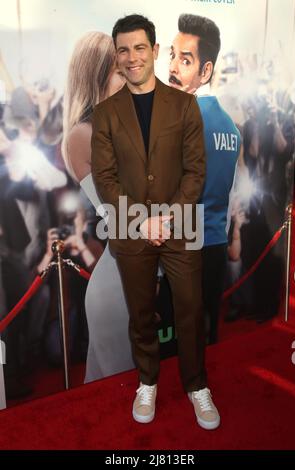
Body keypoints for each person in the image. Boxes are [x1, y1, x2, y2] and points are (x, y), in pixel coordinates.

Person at [91, 14, 220, 430]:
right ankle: (147, 380)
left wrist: (167, 216)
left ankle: (197, 385)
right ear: (117, 56)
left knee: (189, 310)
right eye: (124, 50)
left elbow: (195, 171)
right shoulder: (106, 113)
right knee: (142, 314)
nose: (132, 57)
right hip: (132, 232)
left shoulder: (184, 105)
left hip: (180, 228)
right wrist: (140, 221)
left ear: (155, 50)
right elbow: (104, 178)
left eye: (140, 48)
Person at [62, 31, 135, 381]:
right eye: (120, 70)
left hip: (137, 271)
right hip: (119, 283)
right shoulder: (83, 135)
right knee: (118, 394)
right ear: (98, 75)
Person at [169, 14, 241, 343]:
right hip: (216, 244)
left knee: (180, 342)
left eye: (185, 60)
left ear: (206, 70)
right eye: (172, 55)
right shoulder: (232, 129)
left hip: (185, 248)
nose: (172, 67)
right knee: (209, 336)